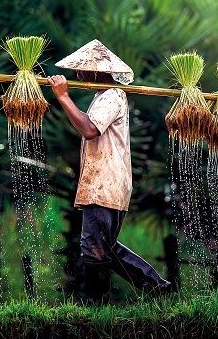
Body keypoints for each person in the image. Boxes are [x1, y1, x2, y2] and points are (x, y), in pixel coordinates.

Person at [48, 39, 172, 304]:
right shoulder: (101, 97)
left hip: (104, 184)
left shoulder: (112, 95)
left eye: (83, 69)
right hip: (103, 184)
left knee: (94, 248)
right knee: (103, 246)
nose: (79, 74)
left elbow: (89, 129)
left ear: (97, 71)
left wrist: (63, 96)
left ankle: (97, 307)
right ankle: (155, 286)